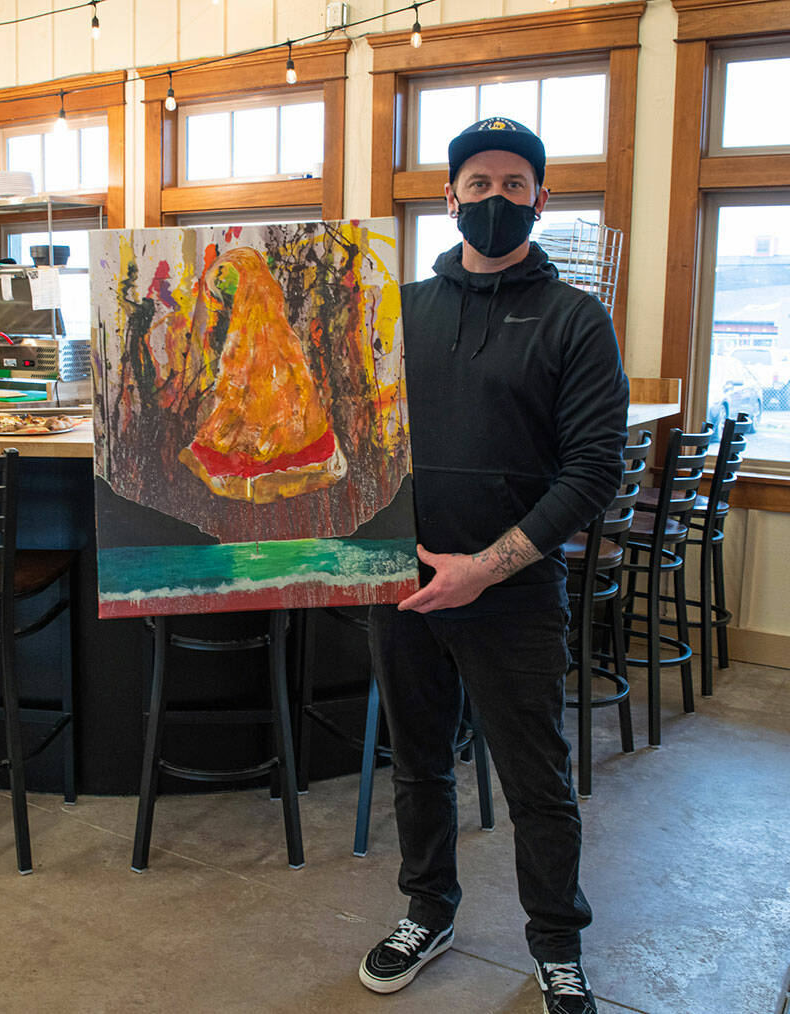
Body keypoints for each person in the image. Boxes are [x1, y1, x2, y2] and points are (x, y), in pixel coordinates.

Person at [358, 118, 628, 1014]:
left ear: (542, 200)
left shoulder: (576, 320)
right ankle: (427, 912)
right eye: (479, 184)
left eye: (516, 185)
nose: (496, 200)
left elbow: (595, 471)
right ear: (449, 198)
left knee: (536, 781)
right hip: (402, 585)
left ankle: (556, 944)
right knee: (419, 764)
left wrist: (488, 566)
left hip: (514, 593)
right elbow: (360, 442)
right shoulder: (397, 310)